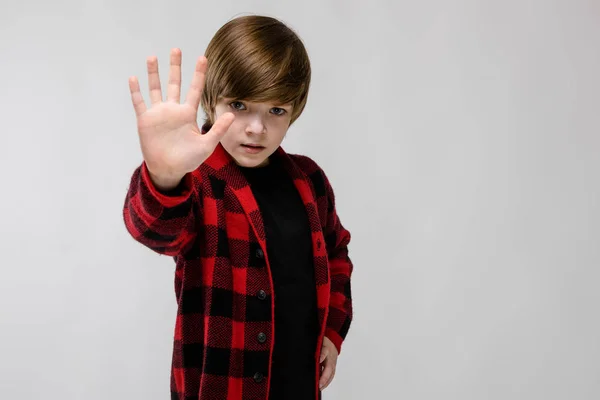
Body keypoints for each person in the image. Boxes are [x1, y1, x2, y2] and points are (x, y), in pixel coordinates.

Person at [123, 15, 353, 400]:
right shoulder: (196, 180)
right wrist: (163, 175)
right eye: (240, 105)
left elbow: (336, 256)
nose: (256, 128)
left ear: (294, 110)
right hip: (219, 388)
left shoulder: (310, 180)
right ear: (212, 101)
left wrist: (332, 332)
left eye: (275, 110)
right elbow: (154, 228)